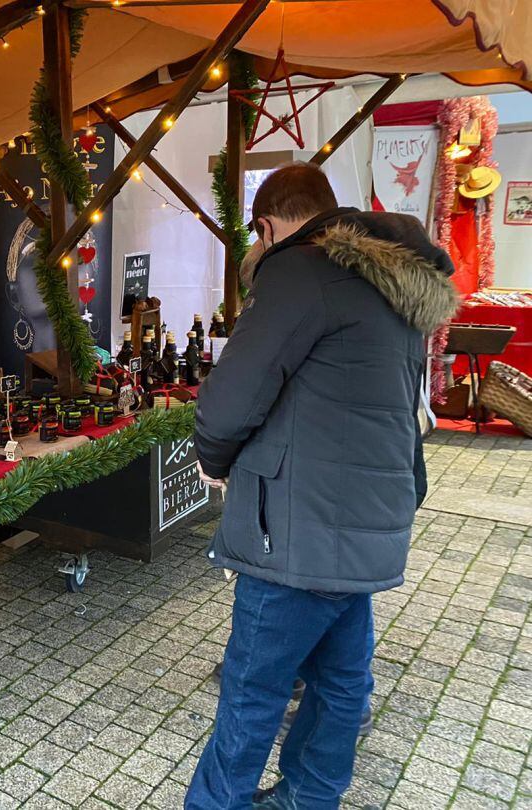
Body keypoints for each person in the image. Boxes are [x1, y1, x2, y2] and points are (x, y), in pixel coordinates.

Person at [185, 163, 457, 810]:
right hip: (372, 517)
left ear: (268, 225)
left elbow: (228, 402)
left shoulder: (299, 271)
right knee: (341, 683)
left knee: (254, 690)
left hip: (299, 528)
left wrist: (214, 460)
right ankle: (310, 797)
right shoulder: (389, 279)